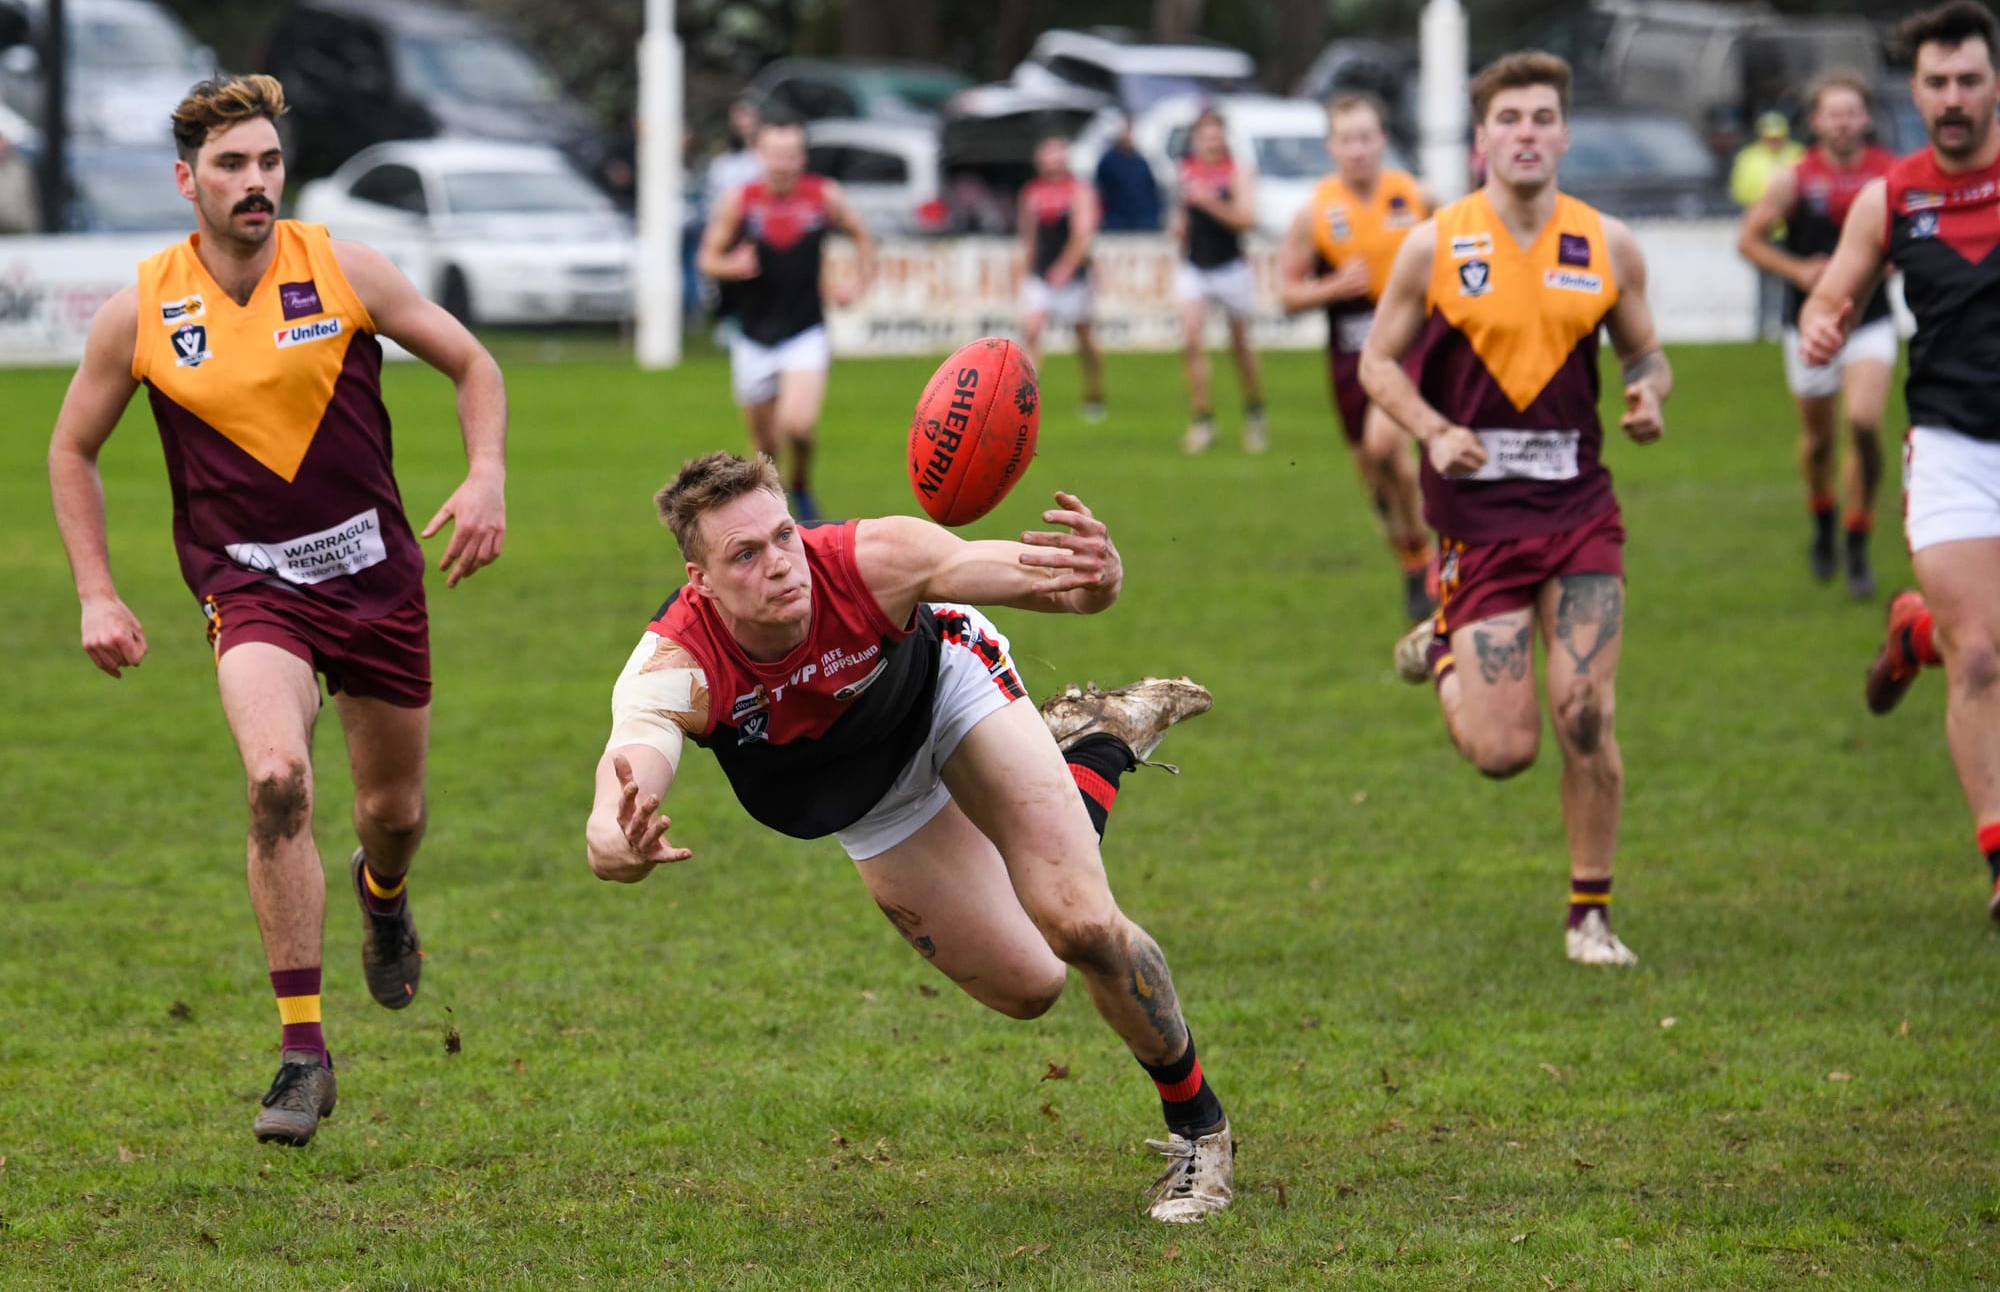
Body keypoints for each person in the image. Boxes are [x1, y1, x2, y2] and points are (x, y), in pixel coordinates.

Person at [582, 452, 1234, 1223]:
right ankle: (1093, 746)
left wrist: (1097, 577)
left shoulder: (866, 562)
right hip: (872, 798)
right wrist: (619, 841)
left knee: (1080, 922)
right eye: (745, 554)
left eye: (784, 535)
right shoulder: (677, 663)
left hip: (947, 692)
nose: (780, 564)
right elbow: (619, 788)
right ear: (701, 581)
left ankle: (1199, 1130)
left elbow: (1048, 581)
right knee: (1031, 984)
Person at [45, 75, 507, 1144]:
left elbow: (472, 363)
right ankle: (302, 1051)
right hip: (251, 589)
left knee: (392, 814)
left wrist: (483, 474)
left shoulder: (341, 267)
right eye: (230, 167)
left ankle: (382, 896)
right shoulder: (143, 307)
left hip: (377, 581)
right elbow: (71, 446)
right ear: (185, 181)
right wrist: (96, 591)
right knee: (275, 777)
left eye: (267, 164)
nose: (255, 185)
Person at [1361, 51, 1672, 966]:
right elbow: (1378, 362)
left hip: (1581, 513)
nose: (1527, 132)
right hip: (1478, 525)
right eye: (1510, 118)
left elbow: (1647, 353)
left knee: (1585, 711)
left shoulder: (1608, 243)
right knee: (1504, 753)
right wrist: (1432, 427)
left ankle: (1590, 915)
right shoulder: (1436, 243)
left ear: (1564, 134)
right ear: (1481, 138)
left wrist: (1650, 393)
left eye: (1543, 117)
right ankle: (1448, 640)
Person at [1800, 0, 2000, 920]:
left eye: (1968, 79)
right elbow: (1835, 289)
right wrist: (1820, 319)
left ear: (1994, 81)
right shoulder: (1894, 197)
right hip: (1954, 446)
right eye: (1936, 82)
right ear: (1912, 91)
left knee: (1967, 639)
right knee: (1985, 660)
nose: (1952, 97)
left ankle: (1911, 632)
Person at [1737, 71, 1897, 598]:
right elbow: (1750, 240)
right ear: (1816, 121)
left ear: (1867, 118)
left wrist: (1897, 264)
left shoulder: (1890, 175)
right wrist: (1801, 271)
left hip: (1869, 320)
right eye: (1834, 112)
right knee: (1820, 442)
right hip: (1809, 325)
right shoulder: (1795, 179)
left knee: (1865, 422)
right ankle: (1823, 517)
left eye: (1853, 111)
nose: (1845, 121)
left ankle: (1857, 538)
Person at [1277, 91, 1435, 622]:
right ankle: (1415, 561)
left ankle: (1430, 558)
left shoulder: (1417, 198)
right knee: (1374, 479)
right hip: (1349, 354)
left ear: (1382, 141)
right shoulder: (1315, 212)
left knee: (1387, 444)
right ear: (1332, 147)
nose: (1359, 149)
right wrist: (1334, 287)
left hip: (1408, 343)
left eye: (1367, 137)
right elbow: (1286, 294)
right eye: (1348, 139)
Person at [696, 118, 874, 522]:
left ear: (802, 157)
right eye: (775, 154)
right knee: (764, 445)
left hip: (804, 331)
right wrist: (731, 264)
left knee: (798, 425)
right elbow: (706, 258)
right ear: (760, 155)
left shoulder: (822, 196)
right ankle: (776, 511)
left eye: (791, 154)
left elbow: (862, 235)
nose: (783, 163)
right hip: (754, 336)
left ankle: (801, 486)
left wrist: (855, 284)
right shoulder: (741, 200)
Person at [1172, 108, 1265, 455]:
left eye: (1215, 134)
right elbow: (1182, 214)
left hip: (1230, 267)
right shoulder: (1186, 172)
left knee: (1239, 346)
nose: (1209, 141)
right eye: (1203, 135)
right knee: (1192, 340)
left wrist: (1209, 202)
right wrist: (1180, 228)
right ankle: (1202, 420)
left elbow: (1246, 219)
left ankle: (1255, 411)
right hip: (1195, 267)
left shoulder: (1236, 173)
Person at [1018, 134, 1107, 421]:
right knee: (1031, 331)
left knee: (1083, 338)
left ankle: (1094, 393)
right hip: (1041, 277)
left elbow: (1083, 235)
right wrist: (1025, 271)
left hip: (1073, 279)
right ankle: (1024, 400)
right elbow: (1029, 238)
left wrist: (1067, 267)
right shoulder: (1032, 193)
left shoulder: (1078, 191)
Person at [1732, 112, 1808, 339]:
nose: (1774, 141)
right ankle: (1764, 326)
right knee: (1764, 280)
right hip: (1762, 229)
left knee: (1790, 278)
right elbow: (1741, 189)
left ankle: (1788, 322)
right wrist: (1764, 208)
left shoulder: (1797, 154)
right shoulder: (1749, 158)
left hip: (1791, 228)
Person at [703, 98, 766, 344]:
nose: (744, 124)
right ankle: (727, 321)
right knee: (727, 275)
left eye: (748, 118)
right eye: (739, 118)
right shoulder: (724, 162)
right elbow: (714, 195)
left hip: (757, 226)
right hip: (729, 226)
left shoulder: (763, 159)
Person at [1094, 114, 1162, 233]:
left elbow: (1150, 188)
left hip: (1145, 220)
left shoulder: (1141, 159)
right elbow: (1101, 190)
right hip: (1117, 221)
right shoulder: (1108, 161)